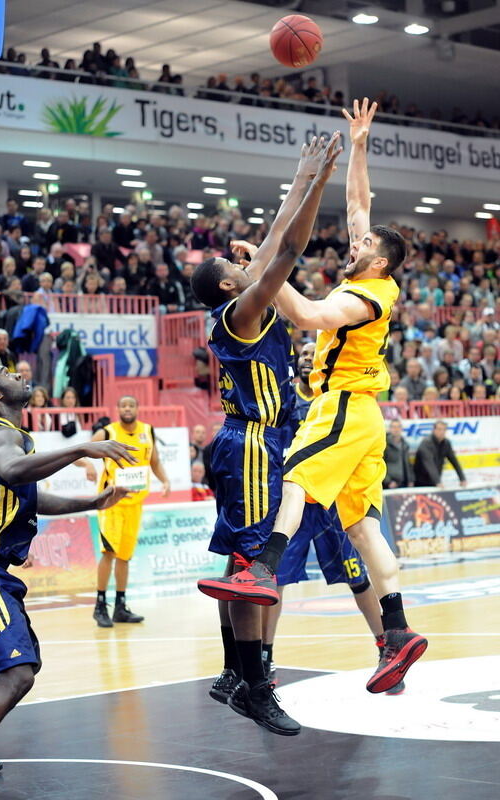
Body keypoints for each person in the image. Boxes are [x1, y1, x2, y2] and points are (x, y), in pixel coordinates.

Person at [199, 99, 427, 696]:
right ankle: (397, 632)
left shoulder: (362, 297)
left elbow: (302, 313)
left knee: (297, 479)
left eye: (362, 246)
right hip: (358, 412)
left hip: (342, 404)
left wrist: (267, 276)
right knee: (362, 527)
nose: (352, 244)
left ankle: (265, 569)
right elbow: (358, 206)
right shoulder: (367, 267)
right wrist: (359, 145)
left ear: (378, 260)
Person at [0, 363, 136, 800]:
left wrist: (93, 501)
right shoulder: (0, 433)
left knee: (18, 669)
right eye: (4, 372)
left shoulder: (12, 437)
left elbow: (29, 496)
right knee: (16, 672)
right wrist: (82, 449)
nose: (16, 372)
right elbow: (15, 471)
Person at [193, 134, 341, 736]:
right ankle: (256, 686)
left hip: (243, 440)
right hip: (255, 443)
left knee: (239, 560)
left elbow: (274, 240)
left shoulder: (234, 308)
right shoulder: (244, 311)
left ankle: (235, 672)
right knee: (254, 566)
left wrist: (300, 175)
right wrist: (317, 183)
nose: (241, 262)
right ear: (231, 285)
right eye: (235, 266)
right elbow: (290, 248)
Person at [255, 343, 405, 695]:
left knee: (359, 578)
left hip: (335, 504)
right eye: (303, 354)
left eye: (314, 352)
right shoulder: (285, 398)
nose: (308, 357)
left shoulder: (340, 397)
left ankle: (388, 649)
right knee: (274, 580)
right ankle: (265, 657)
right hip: (298, 500)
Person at [79, 395, 171, 627]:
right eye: (123, 405)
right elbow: (79, 452)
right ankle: (100, 605)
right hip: (111, 502)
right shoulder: (108, 433)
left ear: (137, 408)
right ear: (118, 409)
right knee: (109, 552)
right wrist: (89, 464)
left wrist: (165, 481)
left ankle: (121, 606)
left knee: (124, 556)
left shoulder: (147, 431)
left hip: (135, 502)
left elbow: (155, 461)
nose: (127, 408)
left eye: (131, 404)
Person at [413, 420, 467, 488]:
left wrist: (462, 478)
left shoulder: (446, 443)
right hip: (421, 482)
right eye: (439, 429)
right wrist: (438, 482)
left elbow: (454, 461)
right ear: (434, 430)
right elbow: (429, 464)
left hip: (435, 481)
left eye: (444, 430)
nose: (442, 432)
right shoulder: (426, 443)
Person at [383, 418, 414, 489]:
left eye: (398, 427)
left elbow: (407, 464)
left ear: (401, 429)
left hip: (403, 484)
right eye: (393, 427)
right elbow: (380, 464)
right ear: (390, 429)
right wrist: (388, 481)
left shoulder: (405, 445)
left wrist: (410, 480)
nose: (396, 429)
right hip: (389, 484)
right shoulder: (385, 445)